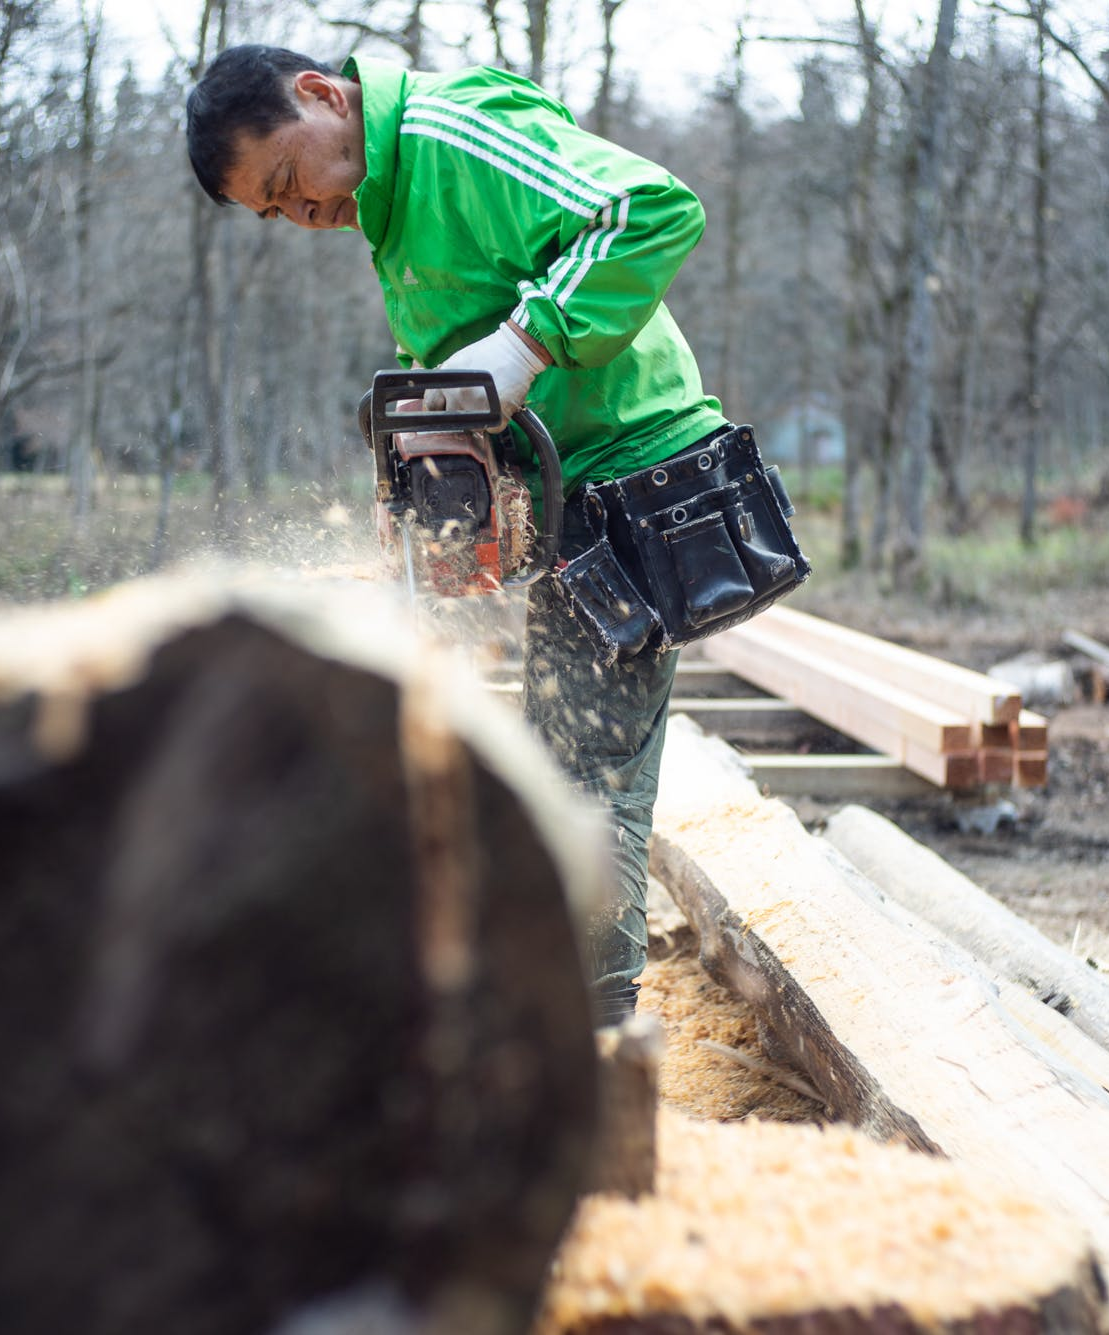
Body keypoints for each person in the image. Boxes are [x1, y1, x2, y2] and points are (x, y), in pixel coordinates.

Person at [186, 45, 797, 1026]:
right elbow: (459, 367)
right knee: (538, 759)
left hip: (631, 478)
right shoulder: (390, 207)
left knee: (583, 776)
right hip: (563, 490)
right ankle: (544, 995)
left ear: (320, 95)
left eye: (290, 178)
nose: (303, 212)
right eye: (276, 210)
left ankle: (589, 1033)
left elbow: (650, 207)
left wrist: (523, 344)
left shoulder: (450, 134)